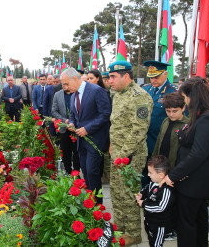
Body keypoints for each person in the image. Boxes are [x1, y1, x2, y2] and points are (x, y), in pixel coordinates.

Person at [160, 77, 209, 247]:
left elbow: (198, 154)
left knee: (186, 224)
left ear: (193, 96)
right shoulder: (206, 115)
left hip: (196, 179)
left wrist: (173, 176)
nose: (186, 102)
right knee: (198, 218)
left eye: (185, 98)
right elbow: (189, 136)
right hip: (196, 177)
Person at [107, 60, 153, 245]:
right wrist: (112, 146)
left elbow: (139, 130)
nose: (109, 81)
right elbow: (116, 123)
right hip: (117, 152)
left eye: (113, 77)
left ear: (126, 76)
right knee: (117, 192)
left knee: (128, 194)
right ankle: (121, 226)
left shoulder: (139, 97)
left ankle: (133, 232)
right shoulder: (117, 94)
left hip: (130, 155)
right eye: (109, 77)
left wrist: (122, 154)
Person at [65, 68, 111, 204]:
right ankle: (90, 203)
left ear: (75, 78)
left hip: (95, 140)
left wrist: (88, 129)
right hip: (81, 141)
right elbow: (73, 114)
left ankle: (98, 205)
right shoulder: (73, 95)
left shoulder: (96, 91)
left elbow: (105, 114)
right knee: (86, 172)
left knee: (92, 172)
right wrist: (72, 123)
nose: (66, 88)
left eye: (67, 84)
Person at [151, 92, 188, 240]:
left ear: (183, 108)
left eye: (175, 111)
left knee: (174, 202)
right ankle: (166, 227)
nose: (171, 114)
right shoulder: (166, 121)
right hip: (162, 169)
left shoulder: (187, 125)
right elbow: (159, 141)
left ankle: (173, 229)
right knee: (164, 200)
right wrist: (153, 163)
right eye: (168, 111)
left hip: (176, 171)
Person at [142, 61, 179, 187]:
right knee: (145, 174)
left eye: (156, 77)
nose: (153, 80)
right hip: (144, 140)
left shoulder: (174, 92)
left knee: (159, 174)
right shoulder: (145, 89)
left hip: (161, 141)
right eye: (151, 77)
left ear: (166, 74)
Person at [135, 155, 175, 247]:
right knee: (151, 241)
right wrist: (141, 194)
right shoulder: (153, 182)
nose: (148, 175)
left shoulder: (166, 190)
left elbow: (160, 207)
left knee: (156, 244)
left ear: (161, 175)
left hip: (159, 225)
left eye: (150, 173)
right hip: (150, 220)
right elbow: (147, 189)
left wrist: (143, 204)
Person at [52, 84, 80, 174]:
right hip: (64, 127)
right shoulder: (58, 94)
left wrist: (74, 122)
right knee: (65, 150)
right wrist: (65, 121)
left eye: (66, 84)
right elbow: (54, 111)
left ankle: (76, 172)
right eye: (63, 84)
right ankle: (68, 171)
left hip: (77, 127)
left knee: (76, 151)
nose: (64, 86)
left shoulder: (77, 93)